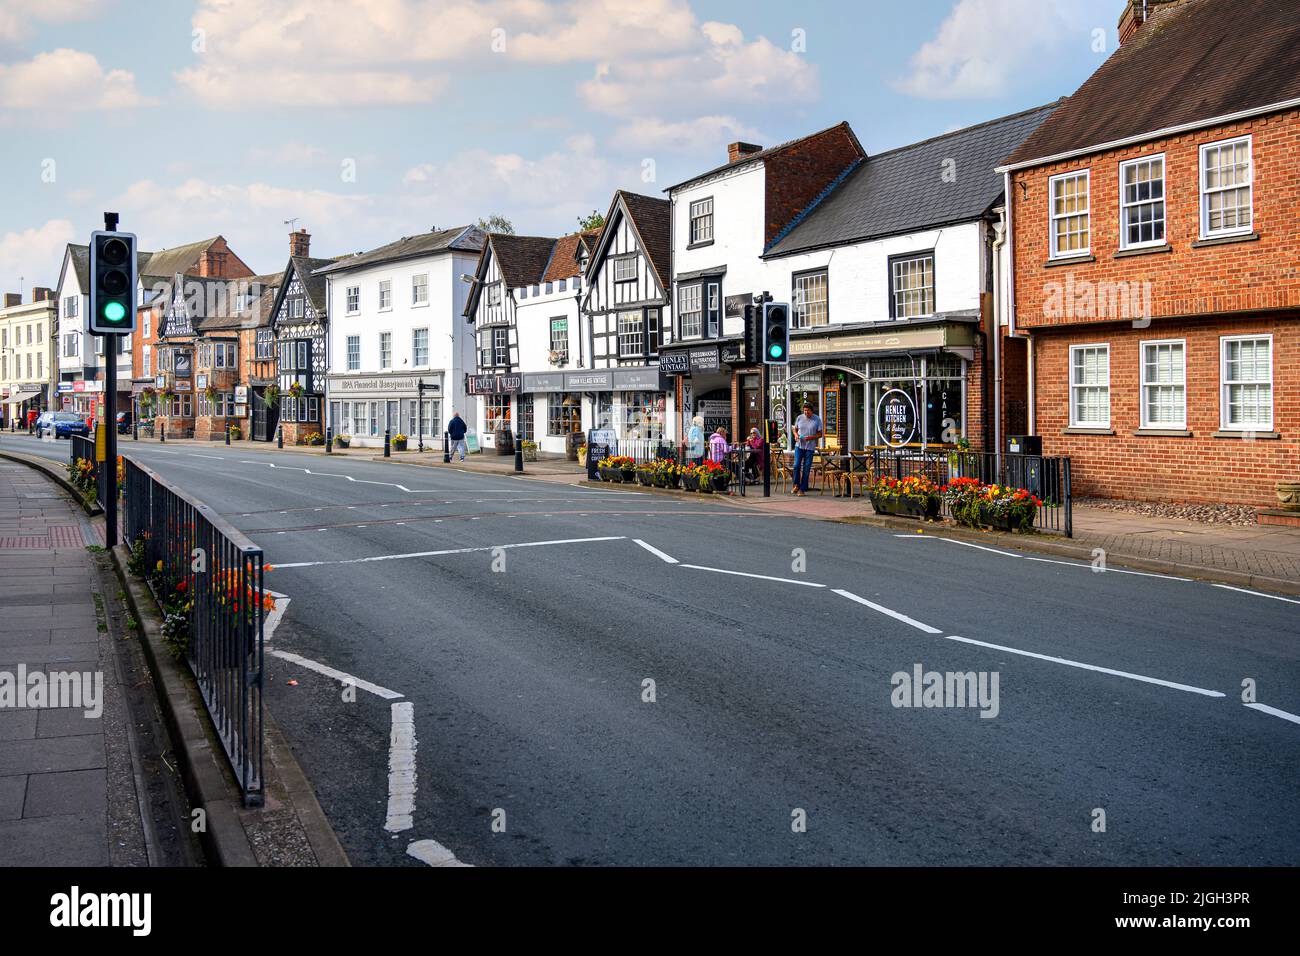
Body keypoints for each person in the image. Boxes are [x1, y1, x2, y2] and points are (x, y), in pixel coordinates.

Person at [791, 401, 823, 496]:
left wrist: (811, 437)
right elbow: (794, 429)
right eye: (804, 410)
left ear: (812, 411)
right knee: (796, 466)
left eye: (808, 411)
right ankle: (796, 484)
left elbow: (820, 434)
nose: (806, 412)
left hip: (810, 447)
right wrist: (796, 435)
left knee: (806, 468)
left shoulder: (817, 419)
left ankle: (802, 489)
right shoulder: (799, 417)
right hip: (799, 446)